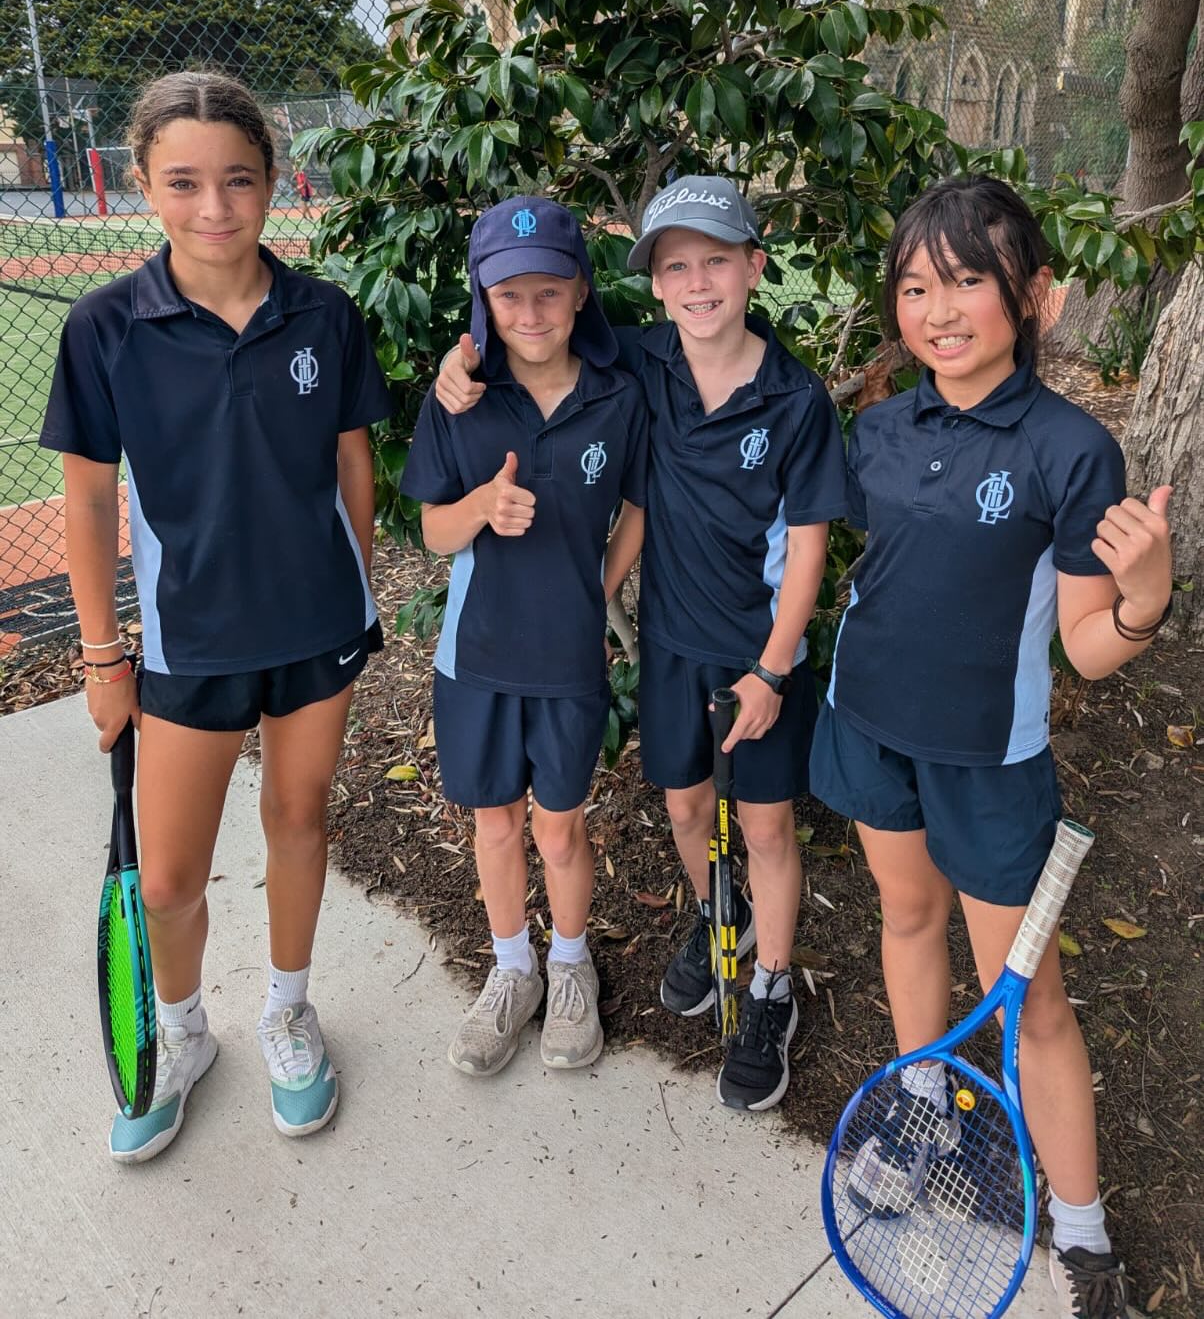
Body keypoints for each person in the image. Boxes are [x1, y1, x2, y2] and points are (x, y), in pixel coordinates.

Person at [808, 175, 1173, 1317]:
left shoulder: (1072, 450)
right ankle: (921, 1119)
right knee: (904, 917)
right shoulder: (877, 425)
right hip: (867, 730)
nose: (939, 307)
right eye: (916, 284)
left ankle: (1081, 1229)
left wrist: (1145, 602)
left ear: (1039, 297)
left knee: (1031, 1001)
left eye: (969, 278)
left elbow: (1082, 641)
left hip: (989, 761)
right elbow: (854, 567)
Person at [40, 71, 393, 1162]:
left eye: (238, 179)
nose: (215, 206)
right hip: (186, 645)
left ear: (271, 182)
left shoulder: (323, 312)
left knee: (299, 819)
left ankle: (288, 1008)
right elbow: (91, 497)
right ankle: (183, 1032)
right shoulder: (108, 326)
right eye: (185, 181)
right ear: (141, 183)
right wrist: (104, 658)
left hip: (316, 633)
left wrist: (351, 589)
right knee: (169, 876)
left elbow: (352, 467)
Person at [435, 178, 847, 1112]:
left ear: (755, 266)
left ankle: (771, 989)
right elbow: (527, 339)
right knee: (688, 807)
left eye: (716, 261)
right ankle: (712, 918)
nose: (698, 283)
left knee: (770, 826)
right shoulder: (644, 369)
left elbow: (811, 544)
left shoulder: (796, 400)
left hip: (759, 658)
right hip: (668, 646)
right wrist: (456, 366)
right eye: (675, 267)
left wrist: (774, 668)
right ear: (653, 287)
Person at [402, 196, 648, 1077]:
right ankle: (514, 970)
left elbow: (642, 508)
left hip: (568, 656)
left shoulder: (620, 395)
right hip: (476, 657)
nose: (532, 314)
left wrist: (600, 589)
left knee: (560, 828)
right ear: (483, 301)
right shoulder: (462, 397)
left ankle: (571, 965)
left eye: (550, 292)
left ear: (581, 293)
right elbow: (432, 530)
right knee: (496, 824)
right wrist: (477, 508)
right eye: (510, 297)